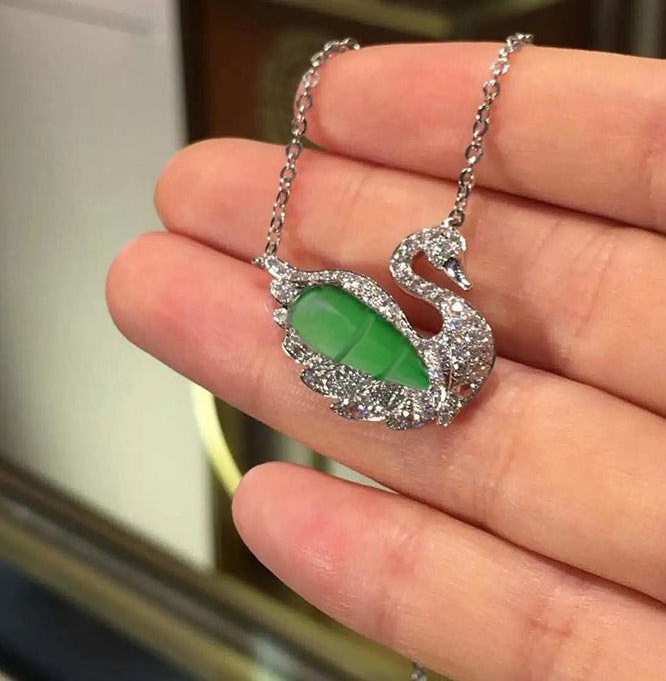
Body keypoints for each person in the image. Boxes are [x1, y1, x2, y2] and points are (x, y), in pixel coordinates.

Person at [106, 42, 666, 681]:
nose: (458, 281)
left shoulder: (430, 351)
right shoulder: (375, 329)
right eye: (447, 268)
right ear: (420, 260)